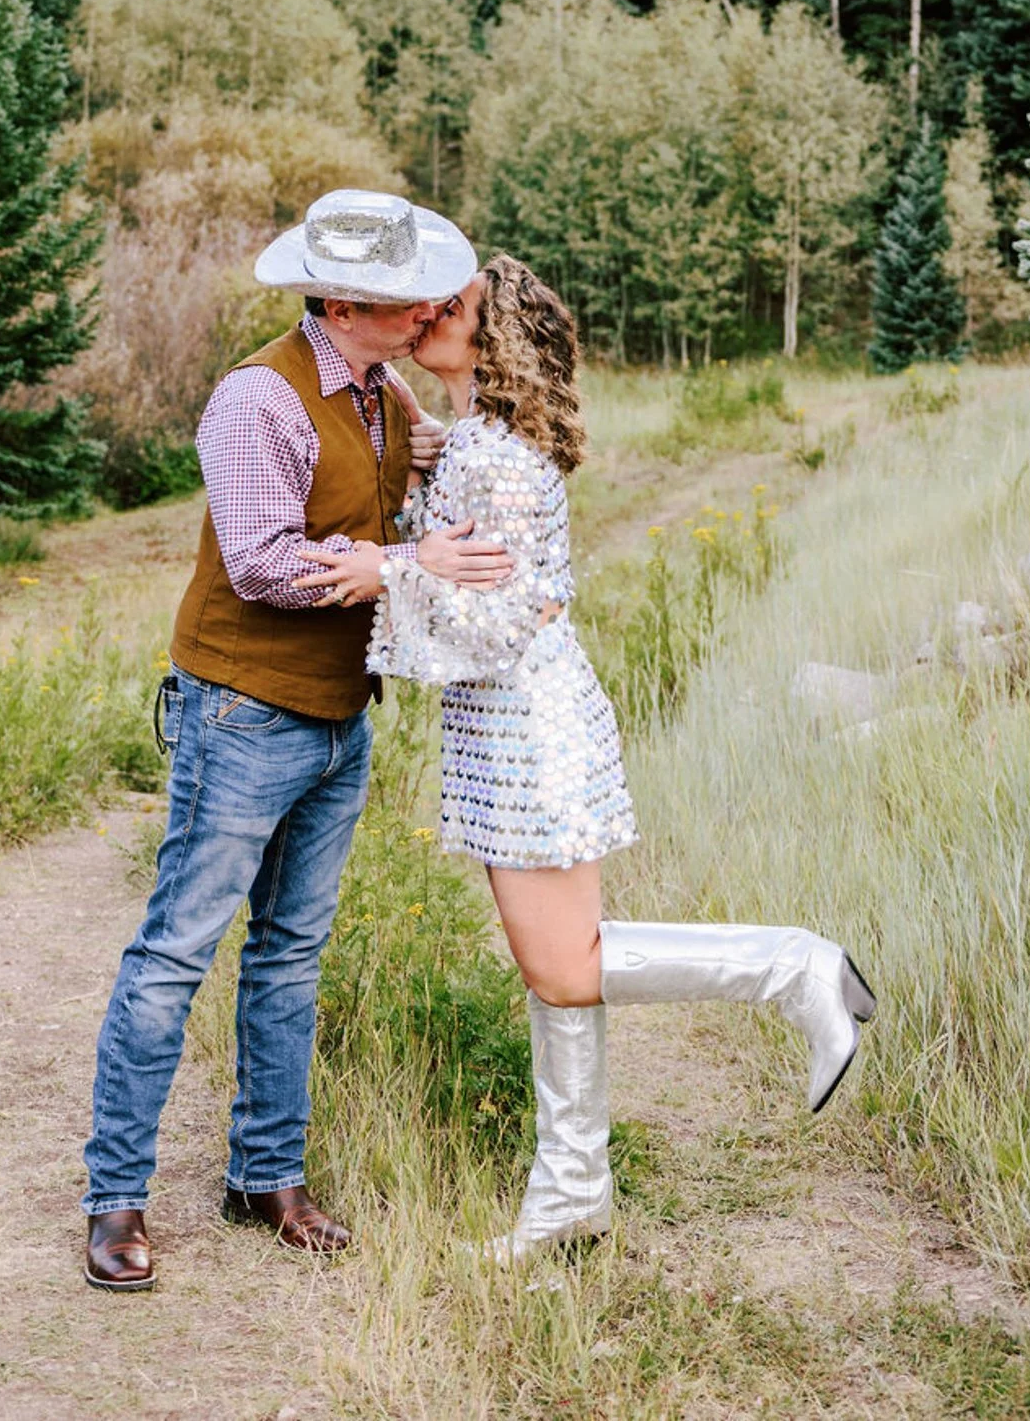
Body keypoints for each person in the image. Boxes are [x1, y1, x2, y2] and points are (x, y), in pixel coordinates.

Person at [300, 255, 876, 1263]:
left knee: (567, 965)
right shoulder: (478, 439)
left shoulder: (498, 454)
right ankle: (571, 1195)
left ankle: (800, 970)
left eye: (455, 306)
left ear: (496, 336)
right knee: (552, 971)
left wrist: (382, 573)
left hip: (528, 732)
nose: (429, 313)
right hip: (507, 733)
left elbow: (521, 608)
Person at [79, 189, 513, 1293]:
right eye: (408, 296)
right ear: (347, 298)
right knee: (178, 951)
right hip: (241, 711)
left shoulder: (381, 391)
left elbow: (401, 513)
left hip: (335, 720)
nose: (426, 309)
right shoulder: (254, 400)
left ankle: (264, 1176)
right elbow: (272, 563)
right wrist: (413, 567)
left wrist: (454, 485)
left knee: (290, 955)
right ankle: (114, 1198)